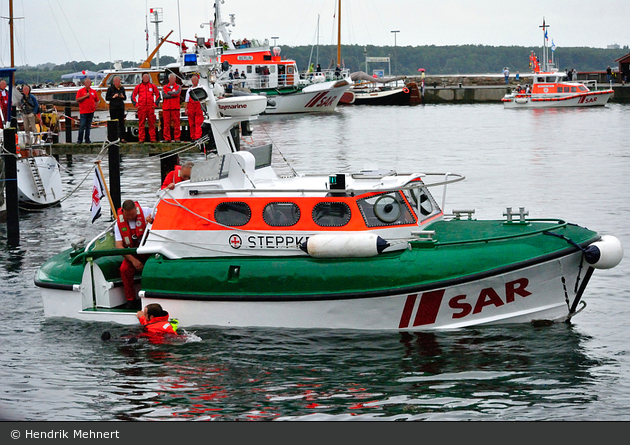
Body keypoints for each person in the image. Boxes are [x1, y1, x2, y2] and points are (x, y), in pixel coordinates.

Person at [115, 199, 154, 309]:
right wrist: (133, 260)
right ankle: (130, 300)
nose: (130, 217)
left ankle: (150, 297)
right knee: (124, 269)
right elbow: (119, 246)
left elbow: (163, 220)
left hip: (149, 250)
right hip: (133, 253)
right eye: (128, 215)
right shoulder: (118, 223)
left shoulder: (147, 211)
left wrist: (152, 222)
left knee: (152, 268)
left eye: (132, 214)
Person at [131, 72, 160, 143]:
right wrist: (136, 105)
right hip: (142, 108)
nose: (146, 78)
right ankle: (141, 139)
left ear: (149, 78)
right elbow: (133, 96)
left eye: (147, 77)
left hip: (150, 107)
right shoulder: (138, 87)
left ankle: (153, 138)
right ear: (142, 78)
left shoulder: (153, 86)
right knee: (141, 124)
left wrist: (155, 104)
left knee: (152, 124)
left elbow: (158, 96)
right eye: (145, 77)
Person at [76, 77, 100, 144]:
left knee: (88, 126)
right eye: (86, 83)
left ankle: (87, 139)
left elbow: (97, 100)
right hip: (83, 111)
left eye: (89, 83)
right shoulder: (80, 91)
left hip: (91, 111)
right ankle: (79, 140)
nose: (87, 84)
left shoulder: (93, 91)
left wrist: (95, 107)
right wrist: (85, 96)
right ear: (84, 83)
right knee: (82, 125)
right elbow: (77, 99)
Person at [184, 74, 206, 141]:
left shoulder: (201, 88)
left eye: (195, 80)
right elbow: (186, 101)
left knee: (198, 123)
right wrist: (186, 110)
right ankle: (193, 137)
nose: (194, 81)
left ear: (198, 80)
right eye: (193, 80)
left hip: (198, 108)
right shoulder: (189, 90)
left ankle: (198, 137)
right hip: (191, 109)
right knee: (191, 124)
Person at [105, 75, 127, 142]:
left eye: (119, 81)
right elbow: (107, 98)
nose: (118, 82)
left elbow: (125, 98)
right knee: (114, 123)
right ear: (114, 82)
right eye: (116, 81)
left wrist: (122, 96)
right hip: (113, 108)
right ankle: (114, 137)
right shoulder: (110, 89)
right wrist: (113, 97)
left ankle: (122, 138)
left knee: (121, 123)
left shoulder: (122, 88)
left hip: (120, 107)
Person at [161, 73, 182, 143]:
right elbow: (164, 95)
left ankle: (177, 138)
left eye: (173, 78)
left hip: (175, 108)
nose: (172, 80)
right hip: (166, 108)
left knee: (177, 124)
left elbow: (177, 93)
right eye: (171, 78)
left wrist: (169, 93)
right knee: (166, 124)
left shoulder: (178, 86)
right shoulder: (164, 87)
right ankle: (167, 138)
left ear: (175, 79)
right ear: (169, 79)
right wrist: (173, 94)